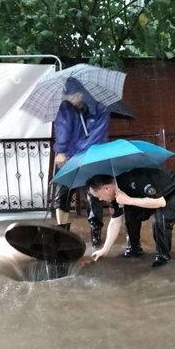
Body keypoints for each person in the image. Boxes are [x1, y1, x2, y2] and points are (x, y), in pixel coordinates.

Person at [86, 168, 175, 267]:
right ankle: (134, 250)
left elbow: (160, 202)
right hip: (156, 197)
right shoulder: (114, 194)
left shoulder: (135, 179)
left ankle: (163, 257)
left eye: (98, 196)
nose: (100, 200)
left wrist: (128, 200)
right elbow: (115, 222)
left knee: (160, 219)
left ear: (107, 189)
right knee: (130, 214)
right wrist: (104, 250)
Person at [52, 77, 109, 248]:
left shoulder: (102, 110)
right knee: (61, 194)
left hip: (91, 156)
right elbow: (62, 128)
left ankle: (96, 234)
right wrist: (61, 150)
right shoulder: (66, 108)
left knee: (94, 195)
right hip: (68, 157)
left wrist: (78, 154)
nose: (74, 102)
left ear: (85, 94)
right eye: (69, 98)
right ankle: (63, 233)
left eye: (76, 97)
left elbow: (96, 138)